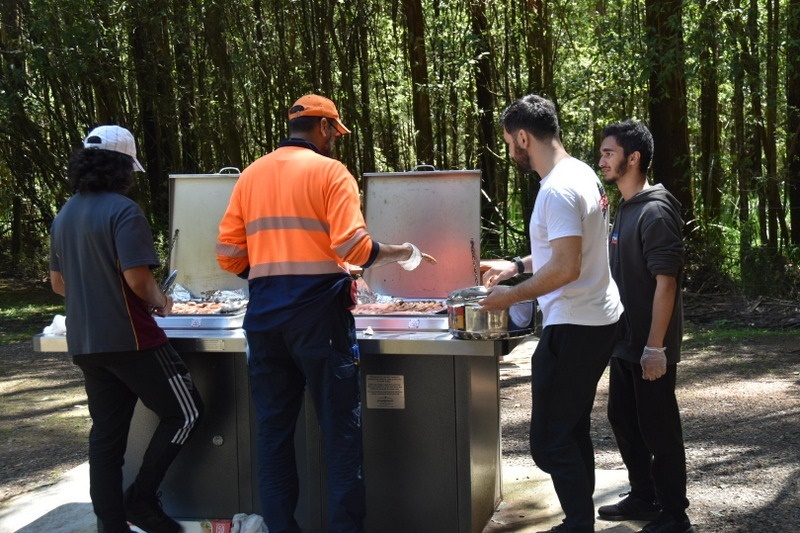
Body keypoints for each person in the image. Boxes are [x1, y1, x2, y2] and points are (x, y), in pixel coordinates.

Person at [216, 94, 436, 533]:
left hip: (264, 320)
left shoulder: (251, 175)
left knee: (274, 436)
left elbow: (227, 255)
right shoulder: (331, 172)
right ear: (323, 128)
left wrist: (272, 277)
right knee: (340, 438)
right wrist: (405, 252)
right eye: (335, 131)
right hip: (320, 322)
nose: (336, 139)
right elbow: (354, 247)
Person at [49, 125, 204, 533]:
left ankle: (110, 525)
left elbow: (59, 284)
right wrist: (162, 300)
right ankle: (141, 499)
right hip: (131, 338)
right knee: (186, 413)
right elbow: (138, 279)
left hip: (85, 342)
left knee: (106, 439)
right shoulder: (123, 210)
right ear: (122, 167)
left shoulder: (65, 213)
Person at [480, 94, 623, 533]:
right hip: (598, 317)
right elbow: (562, 248)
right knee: (572, 428)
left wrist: (510, 296)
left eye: (509, 142)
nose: (510, 152)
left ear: (523, 136)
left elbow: (566, 266)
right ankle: (579, 522)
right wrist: (518, 265)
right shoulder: (580, 172)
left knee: (548, 442)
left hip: (576, 325)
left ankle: (579, 524)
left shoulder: (557, 189)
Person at [597, 120, 695, 533]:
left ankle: (674, 514)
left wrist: (655, 348)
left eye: (608, 153)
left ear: (632, 158)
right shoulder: (626, 206)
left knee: (659, 429)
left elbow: (666, 282)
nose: (601, 160)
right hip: (626, 341)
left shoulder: (654, 210)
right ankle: (644, 496)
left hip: (649, 345)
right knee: (624, 419)